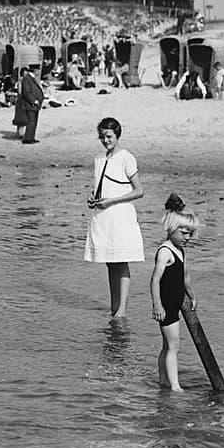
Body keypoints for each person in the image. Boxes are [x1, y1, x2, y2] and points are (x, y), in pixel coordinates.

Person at [84, 117, 145, 318]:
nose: (105, 140)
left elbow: (139, 191)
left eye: (109, 136)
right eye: (102, 137)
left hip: (120, 216)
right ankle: (114, 306)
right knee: (110, 262)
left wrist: (112, 201)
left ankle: (122, 310)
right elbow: (100, 187)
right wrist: (93, 196)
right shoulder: (99, 159)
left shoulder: (127, 158)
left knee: (122, 260)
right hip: (103, 217)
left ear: (117, 135)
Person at [149, 194, 200, 392]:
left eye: (190, 234)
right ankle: (175, 386)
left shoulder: (179, 250)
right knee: (173, 346)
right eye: (184, 233)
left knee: (168, 345)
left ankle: (163, 380)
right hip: (166, 306)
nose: (187, 238)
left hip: (176, 302)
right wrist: (157, 304)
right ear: (172, 228)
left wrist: (192, 295)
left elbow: (185, 276)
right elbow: (154, 279)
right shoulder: (165, 251)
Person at [16, 64, 44, 144]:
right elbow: (27, 92)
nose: (39, 71)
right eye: (38, 70)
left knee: (34, 121)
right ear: (35, 70)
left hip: (34, 104)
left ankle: (31, 137)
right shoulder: (27, 79)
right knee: (31, 121)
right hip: (30, 104)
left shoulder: (31, 78)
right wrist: (33, 100)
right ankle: (28, 139)